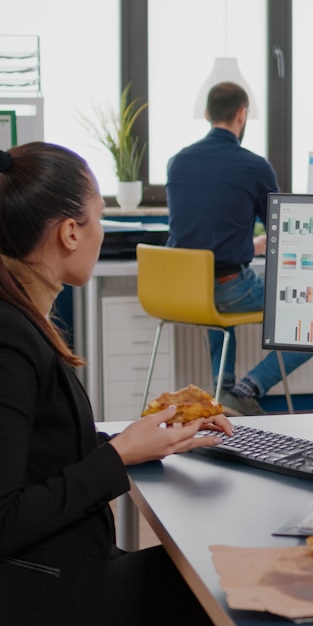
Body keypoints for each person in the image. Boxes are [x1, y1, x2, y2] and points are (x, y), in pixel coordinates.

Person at [0, 142, 233, 626]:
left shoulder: (20, 317)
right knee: (223, 590)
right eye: (99, 218)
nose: (101, 232)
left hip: (67, 568)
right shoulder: (10, 340)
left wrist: (148, 440)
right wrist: (119, 455)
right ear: (69, 232)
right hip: (47, 594)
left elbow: (39, 457)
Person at [166, 81, 313, 416]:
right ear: (242, 114)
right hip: (226, 287)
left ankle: (224, 391)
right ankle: (248, 388)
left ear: (207, 114)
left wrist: (249, 244)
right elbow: (281, 229)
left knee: (221, 288)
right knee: (309, 315)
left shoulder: (177, 162)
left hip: (185, 288)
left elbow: (202, 236)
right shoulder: (253, 165)